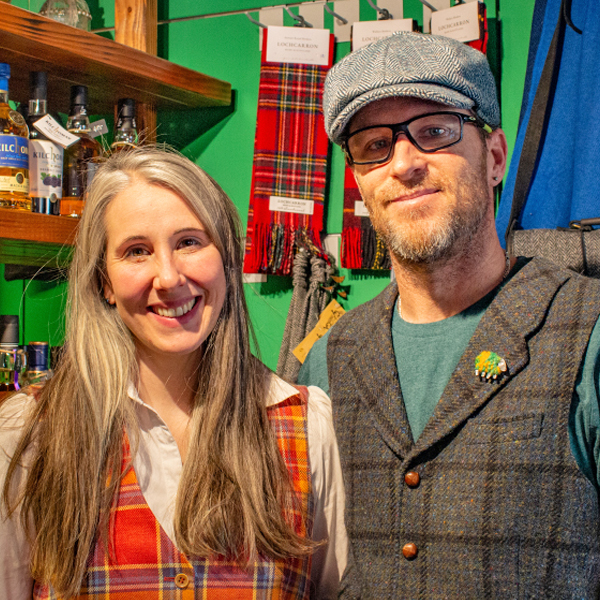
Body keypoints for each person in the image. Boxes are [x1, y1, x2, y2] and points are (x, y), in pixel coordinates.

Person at [298, 31, 600, 598]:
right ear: (360, 181)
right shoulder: (328, 361)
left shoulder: (589, 332)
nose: (404, 164)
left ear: (493, 157)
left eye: (435, 131)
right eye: (372, 145)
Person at [0, 147, 347, 599]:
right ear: (104, 281)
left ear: (226, 259)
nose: (168, 277)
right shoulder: (29, 434)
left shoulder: (308, 426)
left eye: (189, 242)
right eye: (136, 251)